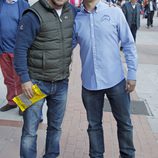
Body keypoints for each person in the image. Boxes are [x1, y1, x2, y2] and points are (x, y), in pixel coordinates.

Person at [73, 0, 137, 157]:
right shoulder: (76, 18)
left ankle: (127, 155)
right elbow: (66, 46)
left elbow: (128, 43)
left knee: (125, 123)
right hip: (90, 83)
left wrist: (132, 74)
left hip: (116, 81)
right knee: (94, 125)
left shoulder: (114, 12)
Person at [14, 0, 76, 157]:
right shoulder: (33, 15)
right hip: (35, 82)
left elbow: (90, 15)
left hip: (61, 82)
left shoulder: (72, 11)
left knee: (55, 128)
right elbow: (20, 48)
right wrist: (25, 79)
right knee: (30, 131)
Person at [0, 0, 29, 112]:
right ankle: (11, 102)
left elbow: (27, 26)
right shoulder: (1, 3)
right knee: (8, 79)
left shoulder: (23, 4)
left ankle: (24, 105)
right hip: (3, 49)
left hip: (19, 50)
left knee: (21, 79)